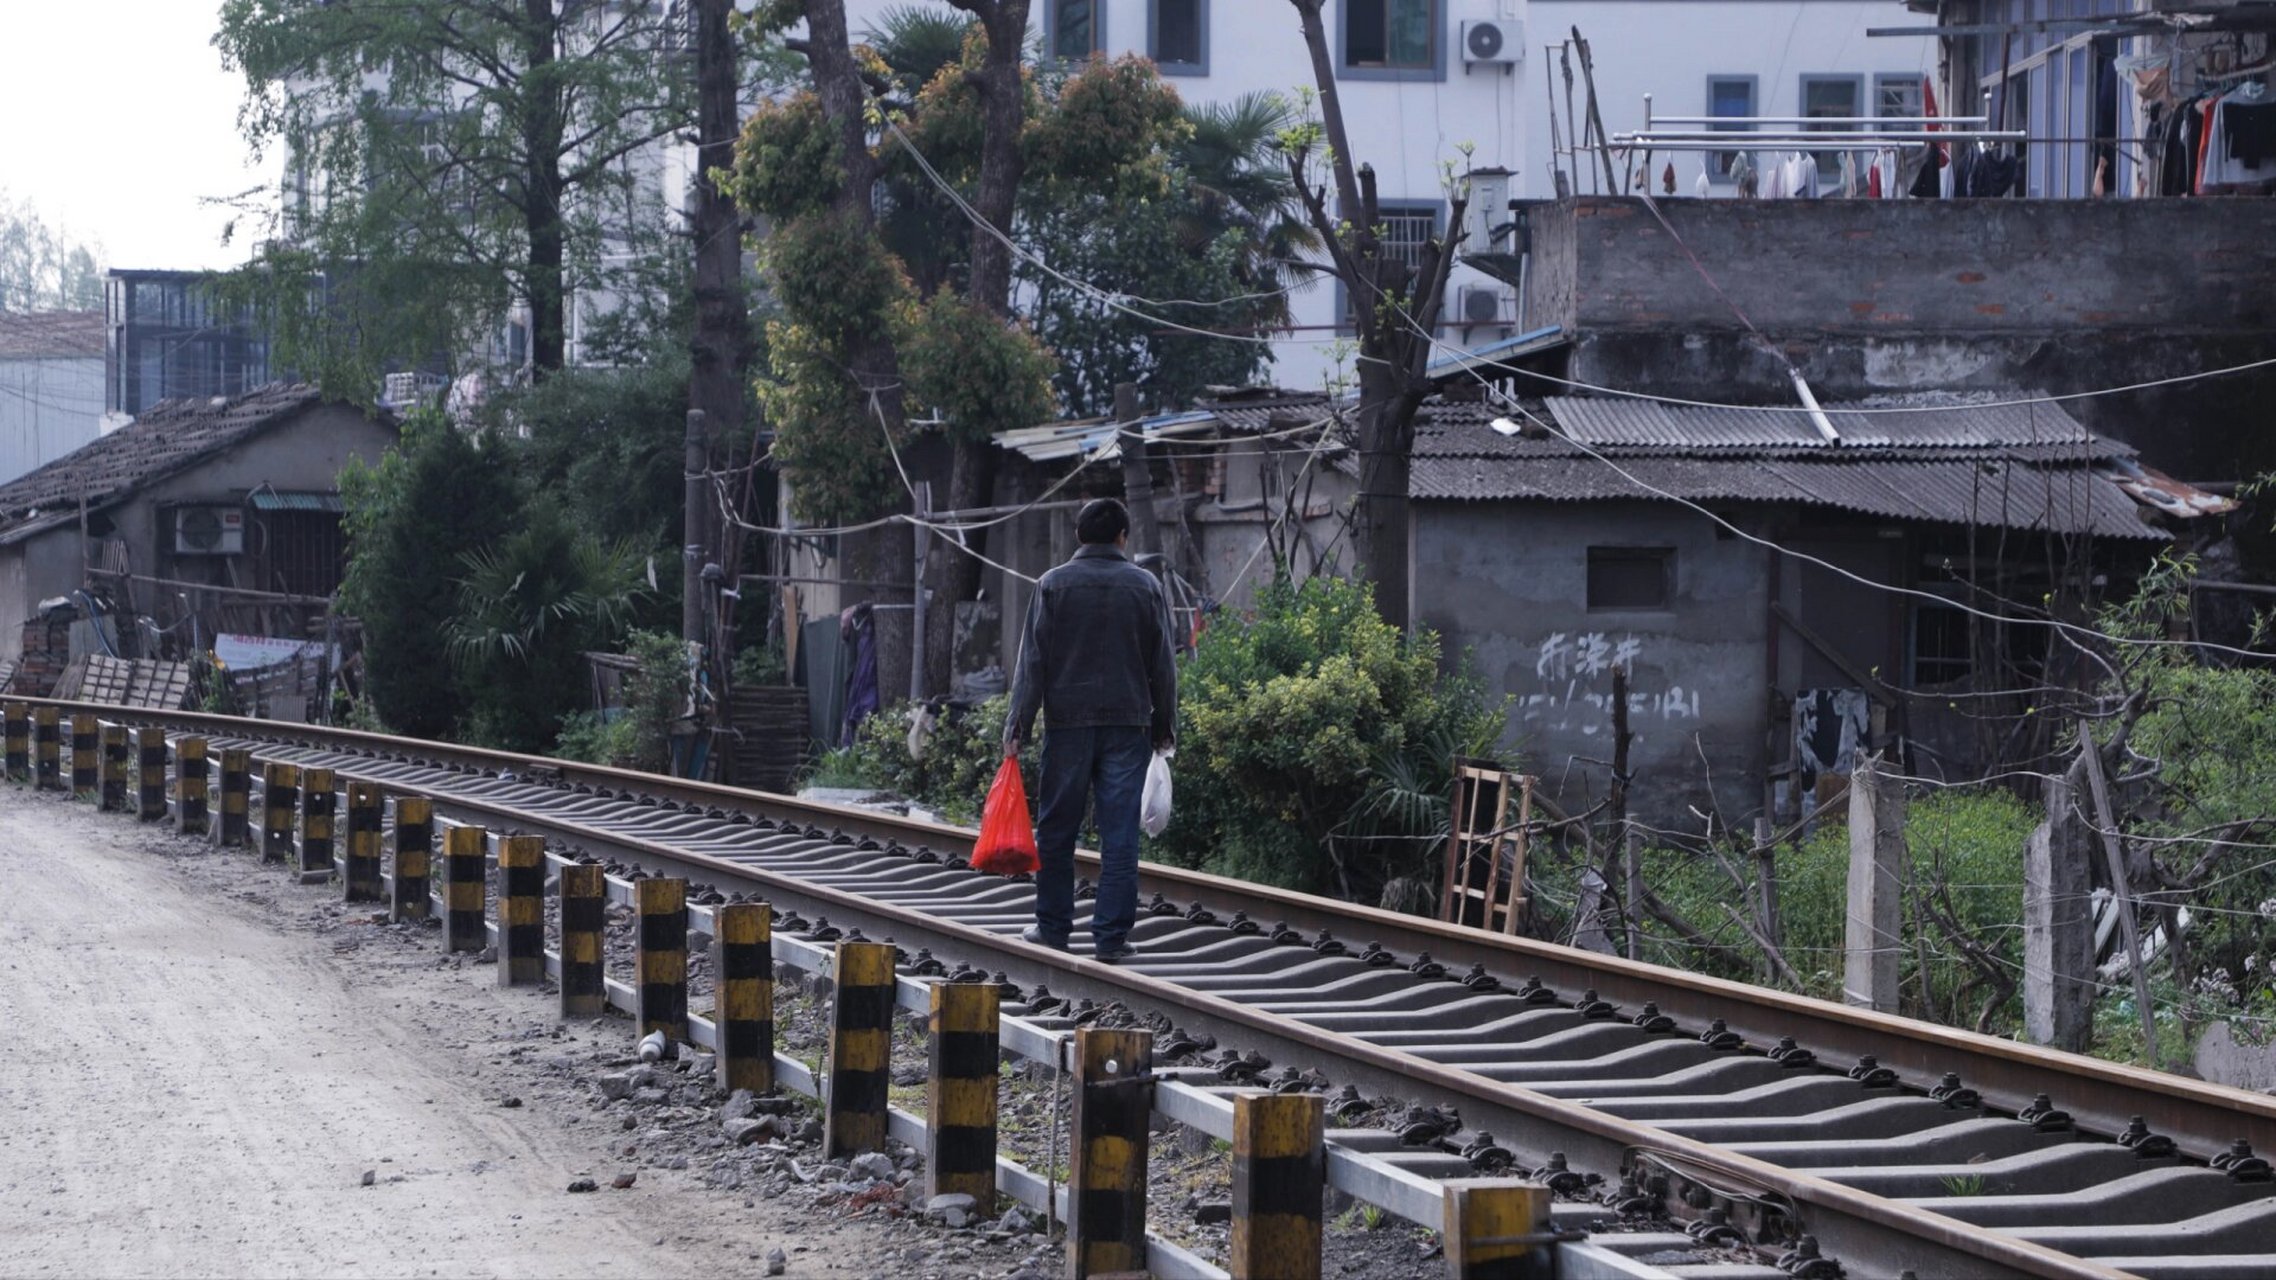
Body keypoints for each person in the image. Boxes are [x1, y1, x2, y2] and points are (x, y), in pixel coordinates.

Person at [1003, 497, 1177, 962]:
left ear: (1078, 536)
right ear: (1123, 537)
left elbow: (1032, 662)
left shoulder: (1052, 584)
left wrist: (1017, 725)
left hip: (1067, 726)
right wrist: (1164, 726)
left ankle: (1053, 927)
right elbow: (1163, 665)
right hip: (1129, 724)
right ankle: (1111, 939)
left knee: (1058, 829)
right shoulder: (1146, 587)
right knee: (1119, 833)